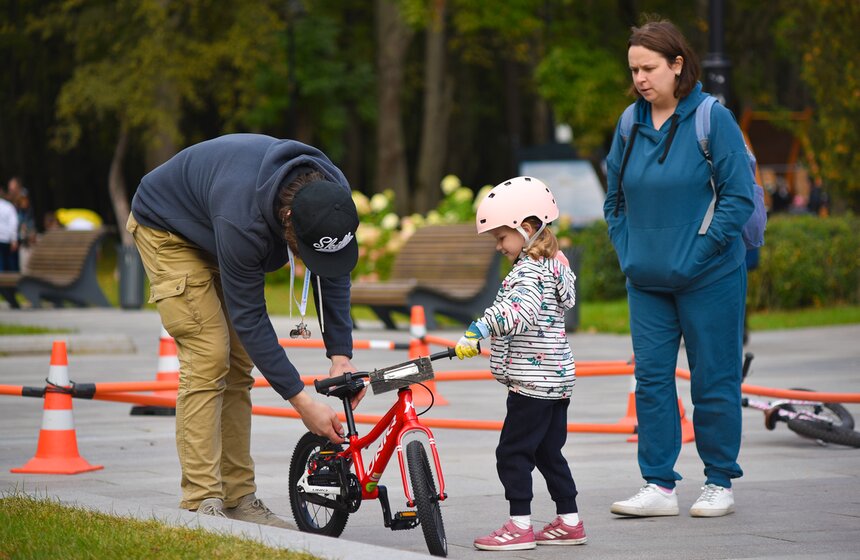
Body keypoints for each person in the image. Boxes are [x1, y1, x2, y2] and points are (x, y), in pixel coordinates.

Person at [127, 133, 363, 527]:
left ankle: (239, 499)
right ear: (288, 220)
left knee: (238, 365)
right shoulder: (243, 219)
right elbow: (250, 317)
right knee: (209, 355)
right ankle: (201, 502)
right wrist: (302, 403)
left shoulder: (331, 193)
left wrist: (341, 357)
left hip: (214, 221)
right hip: (169, 228)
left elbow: (334, 269)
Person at [604, 19, 754, 518]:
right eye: (634, 70)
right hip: (647, 278)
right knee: (651, 381)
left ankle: (719, 481)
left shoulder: (713, 119)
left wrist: (698, 253)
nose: (640, 78)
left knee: (714, 379)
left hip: (710, 276)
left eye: (649, 68)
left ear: (677, 64)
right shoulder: (630, 123)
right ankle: (658, 485)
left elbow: (737, 199)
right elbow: (614, 200)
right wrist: (628, 251)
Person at [455, 176, 585, 551]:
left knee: (512, 452)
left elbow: (518, 312)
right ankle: (570, 520)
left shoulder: (529, 271)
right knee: (547, 451)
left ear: (526, 228)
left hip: (531, 382)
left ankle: (519, 525)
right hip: (556, 381)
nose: (499, 246)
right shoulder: (554, 267)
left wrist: (478, 329)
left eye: (501, 237)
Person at [0, 193, 18, 272]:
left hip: (5, 239)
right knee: (10, 265)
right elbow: (13, 223)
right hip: (7, 239)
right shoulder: (8, 206)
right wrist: (14, 239)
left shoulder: (9, 206)